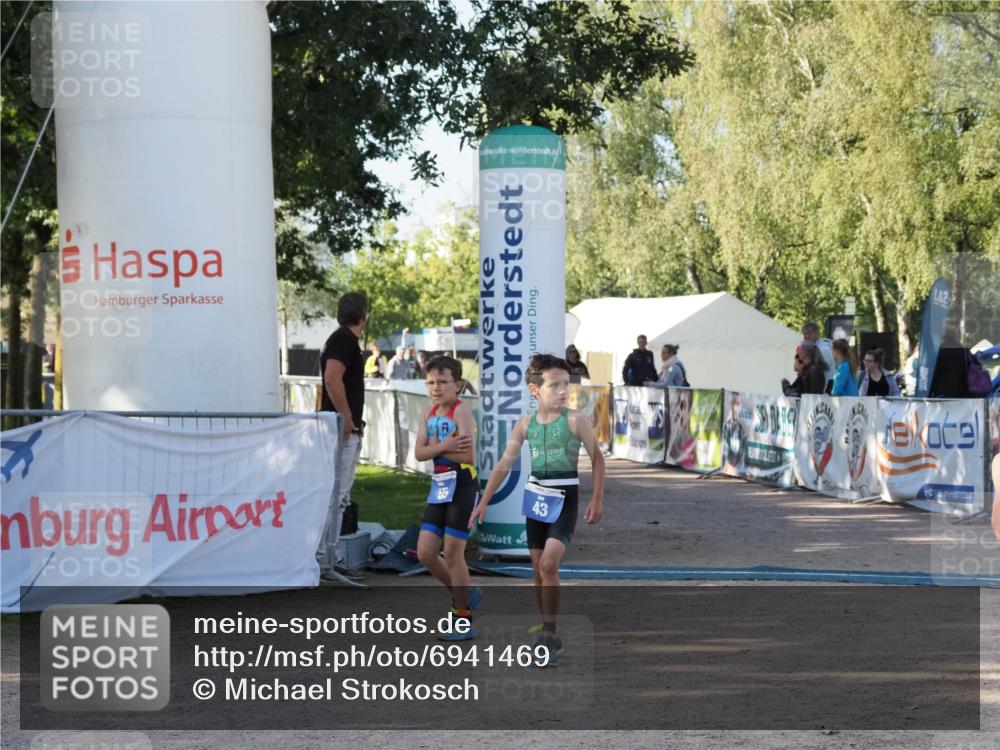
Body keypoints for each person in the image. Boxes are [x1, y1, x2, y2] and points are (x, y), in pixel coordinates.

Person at [470, 354, 606, 667]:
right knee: (537, 571)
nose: (562, 391)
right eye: (554, 385)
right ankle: (550, 628)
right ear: (535, 390)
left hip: (565, 498)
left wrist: (597, 498)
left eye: (566, 384)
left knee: (548, 564)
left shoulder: (575, 420)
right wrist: (484, 500)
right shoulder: (525, 423)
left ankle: (547, 633)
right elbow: (505, 463)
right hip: (535, 500)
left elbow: (597, 458)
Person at [414, 355, 482, 640]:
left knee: (453, 554)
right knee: (426, 553)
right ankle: (465, 592)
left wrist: (434, 448)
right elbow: (418, 454)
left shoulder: (461, 412)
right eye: (431, 382)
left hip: (463, 486)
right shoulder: (428, 413)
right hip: (440, 485)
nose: (436, 388)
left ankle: (462, 618)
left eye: (442, 382)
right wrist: (445, 445)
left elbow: (467, 454)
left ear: (457, 384)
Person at [320, 292, 369, 560]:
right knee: (336, 494)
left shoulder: (339, 340)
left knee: (339, 494)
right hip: (341, 427)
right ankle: (327, 555)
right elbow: (332, 379)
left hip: (341, 425)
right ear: (364, 315)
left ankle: (329, 553)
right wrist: (347, 417)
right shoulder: (344, 340)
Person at [930, 328, 972, 398]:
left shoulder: (940, 350)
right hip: (961, 391)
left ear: (944, 337)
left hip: (942, 391)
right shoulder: (963, 349)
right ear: (956, 337)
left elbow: (935, 371)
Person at [801, 322, 834, 391]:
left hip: (823, 393)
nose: (806, 336)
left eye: (809, 333)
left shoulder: (823, 349)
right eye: (805, 333)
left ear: (817, 334)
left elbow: (820, 373)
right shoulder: (813, 349)